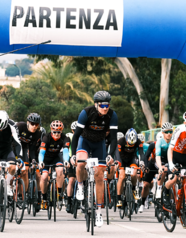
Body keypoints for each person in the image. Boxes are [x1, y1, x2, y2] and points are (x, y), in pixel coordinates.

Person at [70, 91, 118, 228]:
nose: (105, 108)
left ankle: (98, 211)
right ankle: (80, 186)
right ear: (96, 104)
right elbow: (76, 135)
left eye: (107, 105)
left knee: (99, 175)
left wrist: (110, 154)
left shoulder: (112, 115)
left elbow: (113, 138)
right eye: (102, 105)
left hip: (99, 144)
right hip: (84, 141)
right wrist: (73, 155)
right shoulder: (86, 113)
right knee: (80, 163)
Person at [38, 120, 70, 210]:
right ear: (51, 131)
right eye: (54, 131)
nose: (56, 134)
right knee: (44, 177)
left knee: (60, 171)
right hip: (46, 159)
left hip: (56, 158)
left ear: (61, 131)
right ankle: (44, 199)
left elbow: (66, 151)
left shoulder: (65, 138)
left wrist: (66, 161)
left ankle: (60, 194)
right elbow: (41, 152)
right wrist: (40, 161)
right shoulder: (46, 138)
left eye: (58, 132)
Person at [16, 113, 43, 209]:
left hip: (24, 149)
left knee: (25, 170)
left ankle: (22, 196)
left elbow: (31, 149)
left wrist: (34, 160)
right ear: (28, 122)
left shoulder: (37, 134)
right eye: (32, 123)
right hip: (14, 146)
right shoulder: (20, 126)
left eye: (36, 124)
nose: (34, 126)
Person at [115, 128, 145, 210]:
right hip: (122, 159)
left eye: (132, 144)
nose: (130, 145)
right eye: (129, 143)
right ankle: (119, 199)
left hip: (132, 159)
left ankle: (133, 189)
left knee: (134, 173)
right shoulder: (121, 141)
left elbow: (141, 152)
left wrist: (142, 161)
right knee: (121, 176)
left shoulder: (138, 141)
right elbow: (117, 153)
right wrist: (118, 163)